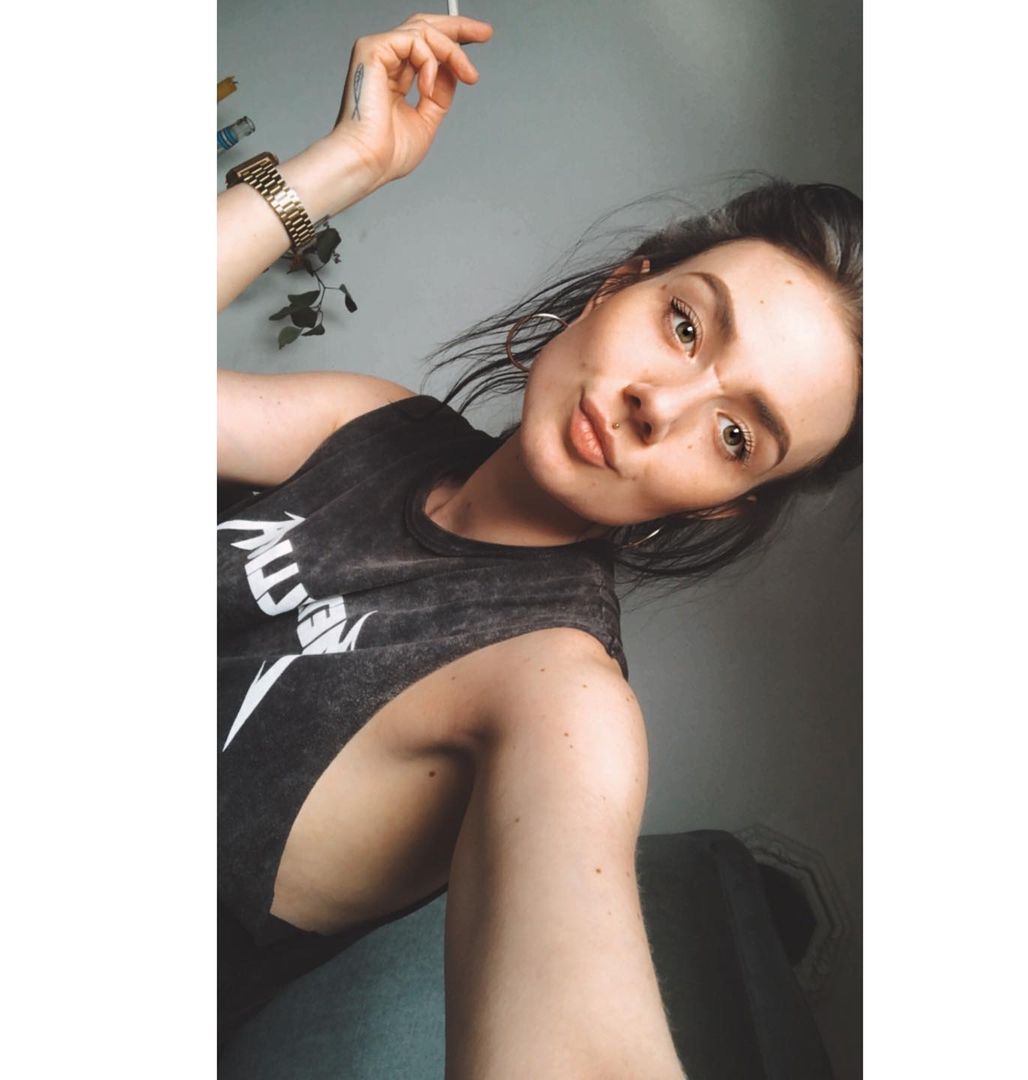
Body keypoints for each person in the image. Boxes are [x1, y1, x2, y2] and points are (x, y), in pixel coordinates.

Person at [217, 12, 861, 1078]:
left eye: (737, 435)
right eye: (686, 324)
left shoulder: (561, 693)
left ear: (724, 505)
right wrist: (347, 162)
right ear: (618, 288)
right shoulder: (375, 423)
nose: (661, 404)